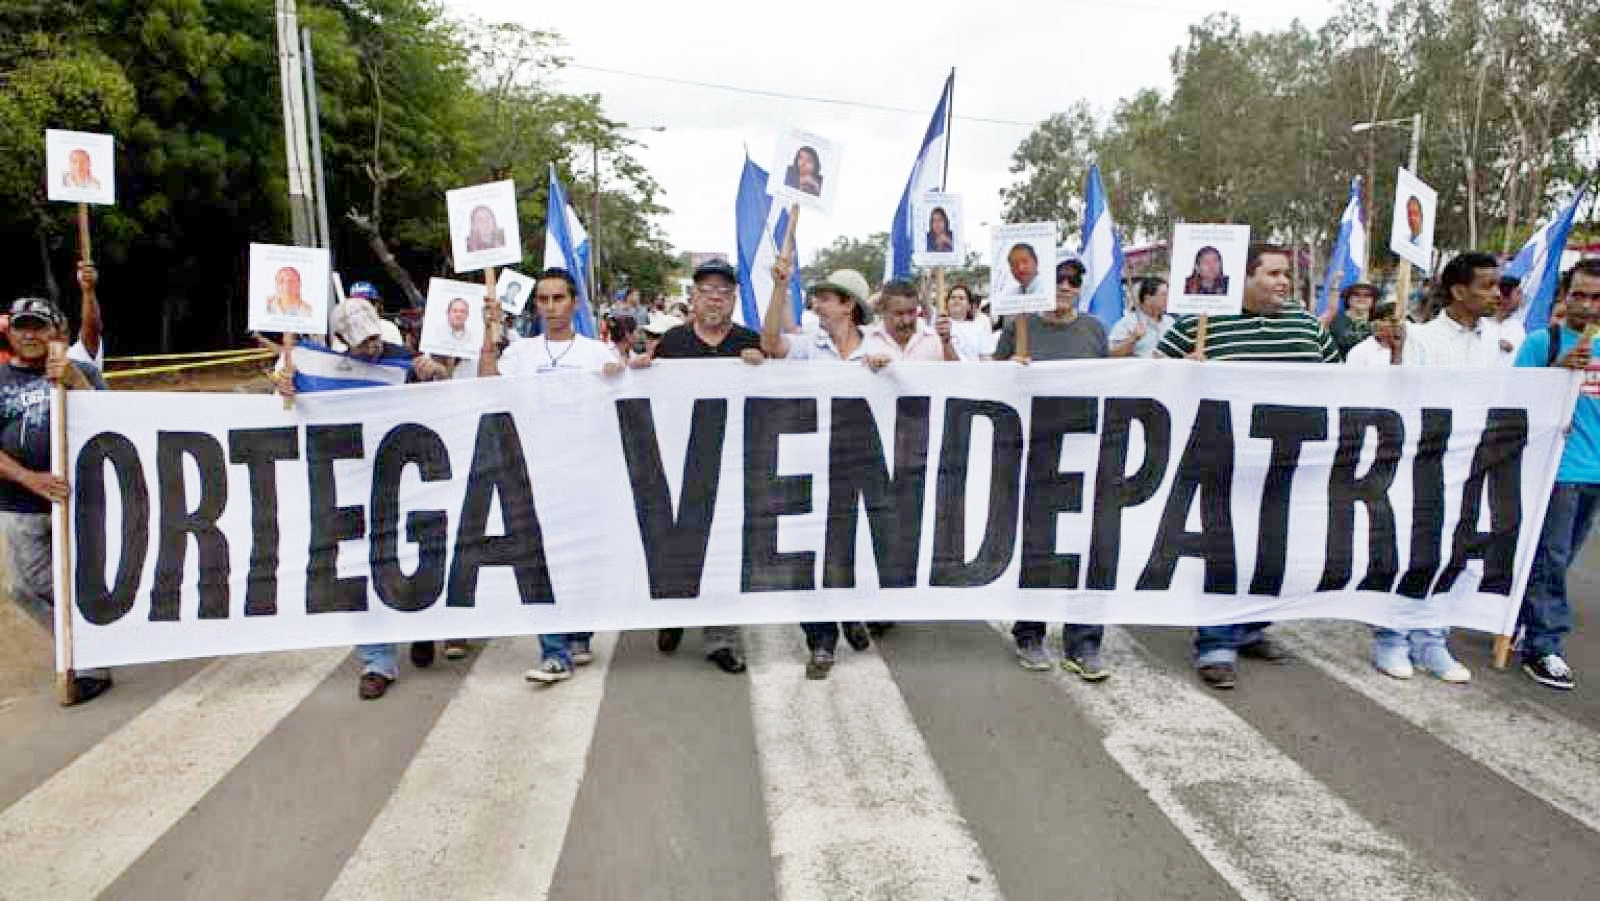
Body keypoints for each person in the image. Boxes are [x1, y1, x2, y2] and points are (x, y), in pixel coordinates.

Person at [1157, 244, 1339, 690]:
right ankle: (1216, 644)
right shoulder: (1199, 323)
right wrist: (1183, 368)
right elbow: (1154, 376)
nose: (1284, 283)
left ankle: (1252, 628)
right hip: (1222, 458)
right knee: (1224, 548)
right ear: (1244, 278)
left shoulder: (1305, 325)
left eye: (1287, 276)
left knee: (1271, 549)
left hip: (1287, 460)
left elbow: (1339, 379)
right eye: (1274, 274)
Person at [274, 298, 451, 698]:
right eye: (361, 341)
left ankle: (421, 627)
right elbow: (287, 407)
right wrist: (284, 387)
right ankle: (377, 661)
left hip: (404, 481)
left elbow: (448, 402)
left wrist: (437, 374)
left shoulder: (405, 361)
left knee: (412, 560)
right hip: (350, 485)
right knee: (358, 571)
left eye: (374, 337)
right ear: (341, 340)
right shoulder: (316, 367)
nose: (371, 347)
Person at [1348, 252, 1503, 683]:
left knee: (1457, 553)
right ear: (1458, 291)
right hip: (1424, 465)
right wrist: (1397, 351)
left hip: (1473, 465)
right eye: (1487, 286)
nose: (1496, 294)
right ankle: (1392, 638)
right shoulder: (1420, 338)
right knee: (1411, 551)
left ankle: (1432, 639)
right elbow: (1399, 397)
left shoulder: (1494, 340)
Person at [480, 268, 624, 684]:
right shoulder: (522, 353)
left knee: (583, 563)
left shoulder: (597, 352)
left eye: (558, 298)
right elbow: (487, 385)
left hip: (586, 474)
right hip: (536, 472)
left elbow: (627, 390)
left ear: (574, 303)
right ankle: (554, 651)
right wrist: (486, 337)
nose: (550, 307)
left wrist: (622, 374)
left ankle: (579, 636)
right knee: (543, 562)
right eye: (542, 299)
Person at [632, 259, 764, 673]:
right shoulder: (671, 342)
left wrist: (762, 365)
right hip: (679, 460)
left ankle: (721, 638)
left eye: (723, 292)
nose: (714, 298)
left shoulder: (748, 340)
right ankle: (673, 619)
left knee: (723, 549)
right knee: (676, 548)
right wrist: (637, 371)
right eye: (707, 290)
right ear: (693, 297)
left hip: (731, 464)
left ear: (733, 300)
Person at [992, 258, 1111, 679]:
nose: (1065, 287)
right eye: (1058, 280)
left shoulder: (1095, 330)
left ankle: (1084, 643)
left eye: (1073, 281)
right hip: (1032, 453)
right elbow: (991, 383)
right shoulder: (1019, 327)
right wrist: (1011, 370)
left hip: (1085, 452)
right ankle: (1030, 632)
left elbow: (1112, 381)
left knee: (1089, 548)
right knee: (1037, 545)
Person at [760, 265, 877, 679]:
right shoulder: (811, 344)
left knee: (852, 546)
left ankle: (852, 613)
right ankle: (821, 641)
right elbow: (771, 342)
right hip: (809, 461)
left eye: (827, 296)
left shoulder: (877, 347)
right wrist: (778, 287)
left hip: (861, 465)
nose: (817, 302)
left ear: (848, 306)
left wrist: (889, 369)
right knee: (808, 552)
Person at [0, 297, 110, 704]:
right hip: (21, 504)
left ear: (56, 332)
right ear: (10, 332)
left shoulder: (82, 371)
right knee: (24, 588)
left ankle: (87, 665)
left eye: (39, 326)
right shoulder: (0, 378)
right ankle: (80, 649)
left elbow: (114, 423)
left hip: (82, 499)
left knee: (86, 580)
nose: (30, 334)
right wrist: (31, 479)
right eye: (22, 326)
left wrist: (76, 383)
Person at [1513, 258, 1600, 690]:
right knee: (1552, 555)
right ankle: (1543, 644)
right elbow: (1512, 402)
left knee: (1560, 555)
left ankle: (1518, 618)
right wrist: (1557, 373)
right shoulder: (1541, 342)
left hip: (1595, 471)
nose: (1587, 306)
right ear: (1564, 297)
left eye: (1596, 297)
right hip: (1558, 467)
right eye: (1578, 295)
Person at [864, 279, 971, 363]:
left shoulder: (935, 339)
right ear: (883, 310)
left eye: (911, 312)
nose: (906, 320)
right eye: (899, 313)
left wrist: (946, 344)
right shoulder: (865, 340)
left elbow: (956, 377)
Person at [1108, 276, 1172, 358]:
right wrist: (1133, 338)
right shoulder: (1127, 323)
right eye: (1164, 295)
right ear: (1148, 299)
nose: (1168, 299)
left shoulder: (1170, 322)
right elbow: (1112, 354)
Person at [1328, 282, 1380, 359]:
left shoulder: (1379, 324)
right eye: (1356, 294)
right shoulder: (1334, 321)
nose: (1362, 298)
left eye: (1367, 295)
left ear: (1373, 300)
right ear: (1348, 298)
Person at [1483, 275, 1526, 365]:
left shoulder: (1517, 327)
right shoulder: (1482, 323)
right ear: (1503, 296)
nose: (1522, 297)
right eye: (1518, 293)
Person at [347, 281, 406, 347]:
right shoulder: (343, 329)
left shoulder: (388, 328)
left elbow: (398, 355)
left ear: (378, 306)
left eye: (370, 303)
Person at [946, 284, 995, 357]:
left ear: (969, 306)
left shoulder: (979, 328)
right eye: (953, 297)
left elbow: (986, 358)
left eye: (961, 298)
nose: (956, 300)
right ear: (947, 303)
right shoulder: (940, 323)